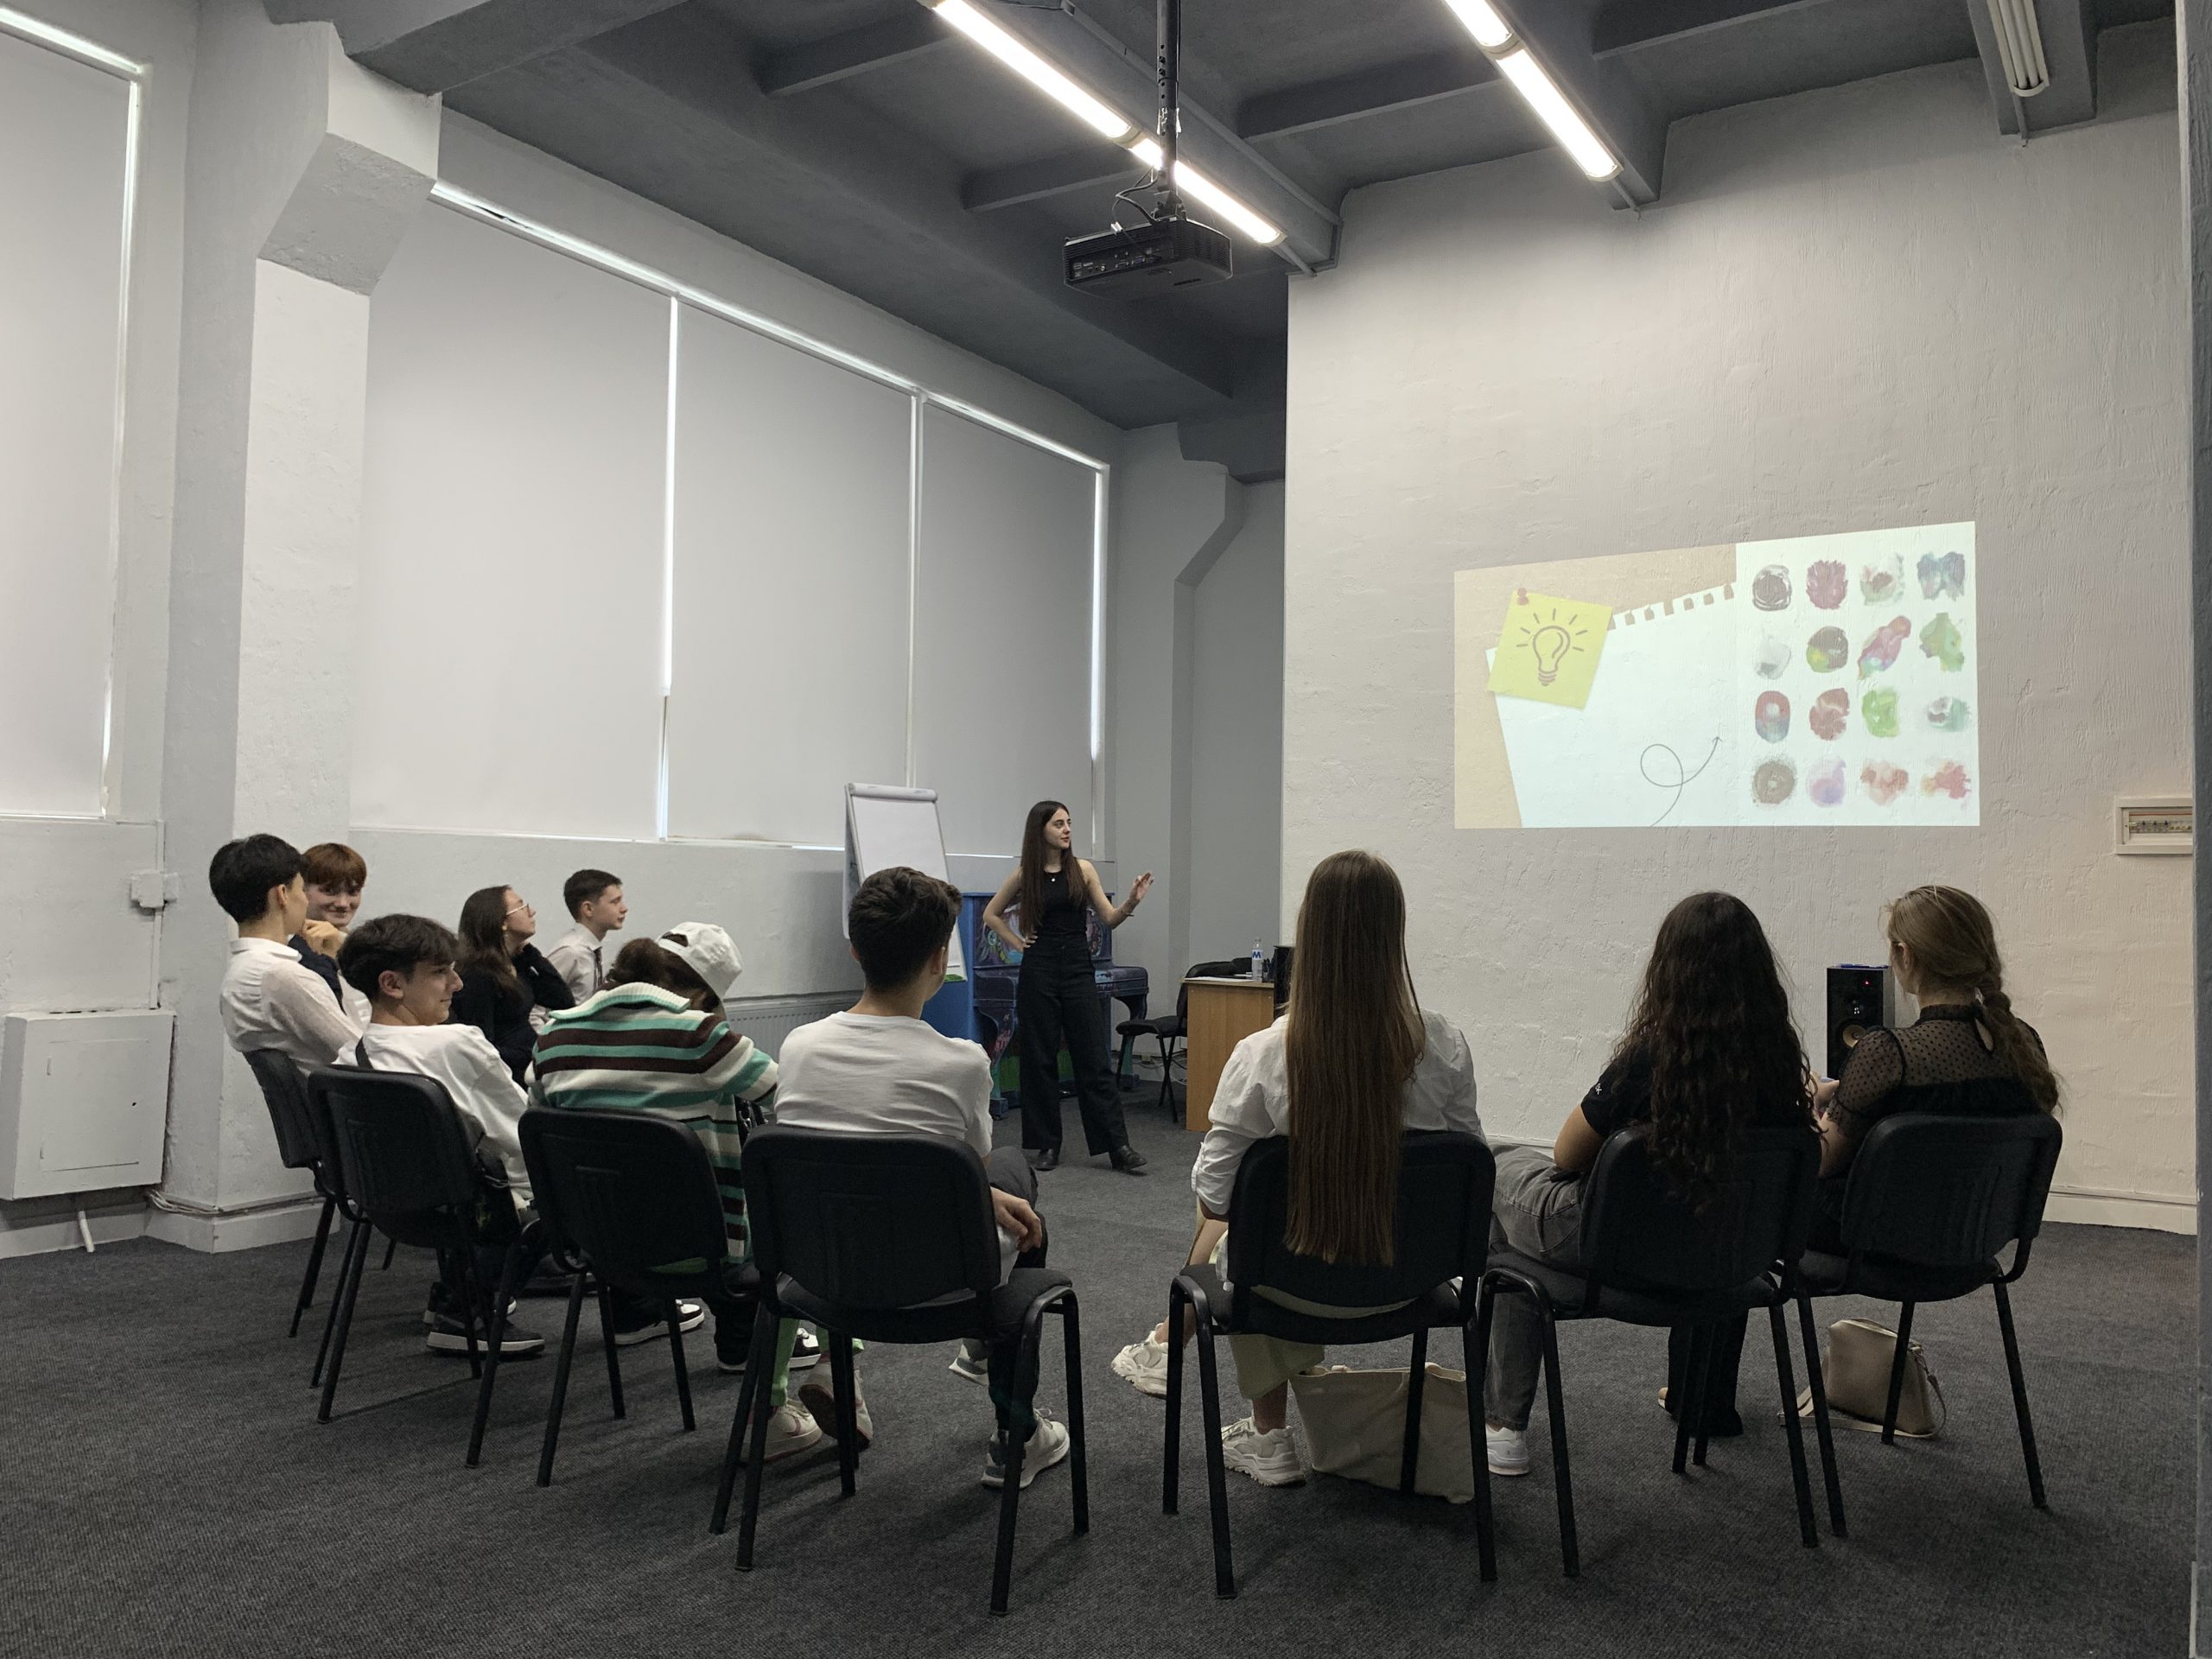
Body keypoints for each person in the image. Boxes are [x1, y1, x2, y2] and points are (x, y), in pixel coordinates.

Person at [1109, 850, 1484, 1489]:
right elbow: (1466, 1174)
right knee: (1255, 1226)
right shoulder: (1443, 1044)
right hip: (1409, 1283)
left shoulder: (1262, 1054)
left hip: (1288, 1289)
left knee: (1241, 1226)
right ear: (1393, 935)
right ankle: (1190, 1357)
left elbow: (1215, 1196)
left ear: (1309, 934)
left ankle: (1266, 1432)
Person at [1480, 892, 1815, 1476]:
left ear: (1669, 971)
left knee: (1496, 1172)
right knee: (1515, 1215)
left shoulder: (1650, 1060)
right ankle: (1695, 1402)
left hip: (1613, 1254)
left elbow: (1566, 1154)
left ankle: (1503, 1425)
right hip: (1726, 1259)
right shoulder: (1781, 1069)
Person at [773, 866, 1070, 1491]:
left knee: (992, 1182)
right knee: (1013, 1177)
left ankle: (981, 1370)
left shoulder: (798, 1047)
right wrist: (985, 1191)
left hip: (822, 1274)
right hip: (941, 1285)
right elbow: (971, 1173)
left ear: (856, 952)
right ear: (940, 961)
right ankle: (1015, 1432)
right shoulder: (960, 1063)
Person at [531, 925, 785, 1357]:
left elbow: (539, 1132)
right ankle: (742, 1338)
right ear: (704, 996)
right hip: (700, 1248)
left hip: (595, 1244)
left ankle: (635, 1312)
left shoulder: (552, 1039)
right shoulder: (700, 1036)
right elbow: (790, 1096)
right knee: (765, 1201)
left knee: (615, 1172)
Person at [336, 913, 579, 1357]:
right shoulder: (454, 1044)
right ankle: (634, 1307)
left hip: (394, 1211)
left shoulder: (350, 1058)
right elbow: (521, 1134)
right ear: (392, 984)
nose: (457, 983)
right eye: (439, 972)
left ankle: (458, 1295)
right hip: (474, 1217)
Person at [1814, 885, 2059, 1245]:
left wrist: (1805, 1101)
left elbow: (1820, 1160)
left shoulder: (1889, 1052)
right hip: (1976, 1239)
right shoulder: (2024, 1043)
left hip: (1878, 1243)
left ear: (1905, 954)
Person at [981, 800, 1153, 1175]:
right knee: (1039, 1058)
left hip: (1077, 969)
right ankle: (1047, 1144)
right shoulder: (1025, 875)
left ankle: (1117, 1146)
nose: (1067, 829)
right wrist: (1016, 942)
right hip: (1039, 970)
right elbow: (991, 914)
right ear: (1040, 829)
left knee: (1093, 1057)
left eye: (1069, 823)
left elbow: (1108, 919)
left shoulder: (1083, 870)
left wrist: (1130, 902)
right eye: (1058, 823)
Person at [210, 834, 362, 1071]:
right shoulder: (283, 976)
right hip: (353, 1091)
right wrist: (347, 962)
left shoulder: (244, 969)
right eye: (301, 889)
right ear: (282, 894)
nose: (304, 900)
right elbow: (365, 1056)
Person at [450, 885, 575, 1084]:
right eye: (522, 907)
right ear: (502, 922)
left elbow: (562, 1000)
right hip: (505, 1076)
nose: (531, 912)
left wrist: (530, 953)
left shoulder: (517, 963)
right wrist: (528, 1053)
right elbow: (479, 1046)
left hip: (529, 1067)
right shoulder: (478, 974)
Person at [286, 842, 367, 1010]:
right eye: (330, 891)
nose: (343, 903)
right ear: (302, 889)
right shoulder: (298, 955)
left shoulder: (360, 943)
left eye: (353, 892)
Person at [543, 868, 627, 1005]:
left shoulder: (591, 950)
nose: (624, 908)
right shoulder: (570, 951)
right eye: (615, 902)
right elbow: (537, 1007)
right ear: (588, 909)